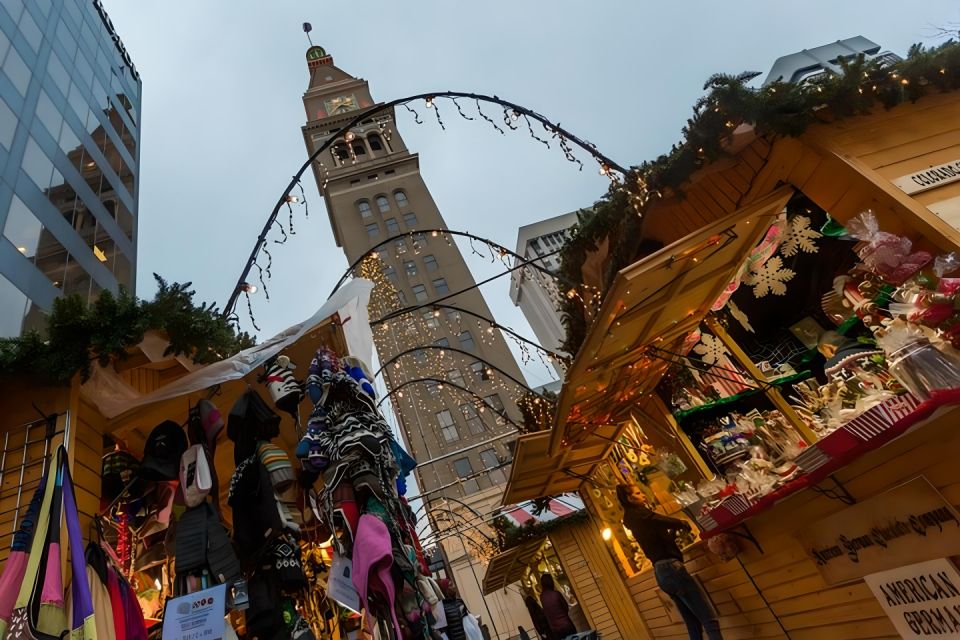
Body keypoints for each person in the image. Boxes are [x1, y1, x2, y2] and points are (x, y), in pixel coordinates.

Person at [617, 484, 723, 640]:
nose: (643, 495)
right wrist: (681, 523)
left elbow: (656, 538)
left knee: (693, 623)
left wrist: (673, 532)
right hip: (672, 570)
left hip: (661, 574)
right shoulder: (639, 514)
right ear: (630, 498)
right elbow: (657, 519)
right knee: (708, 619)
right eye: (638, 493)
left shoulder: (634, 520)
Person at [539, 574, 577, 640]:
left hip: (556, 630)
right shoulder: (556, 594)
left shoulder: (542, 597)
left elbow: (546, 612)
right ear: (551, 582)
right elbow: (566, 607)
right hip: (567, 625)